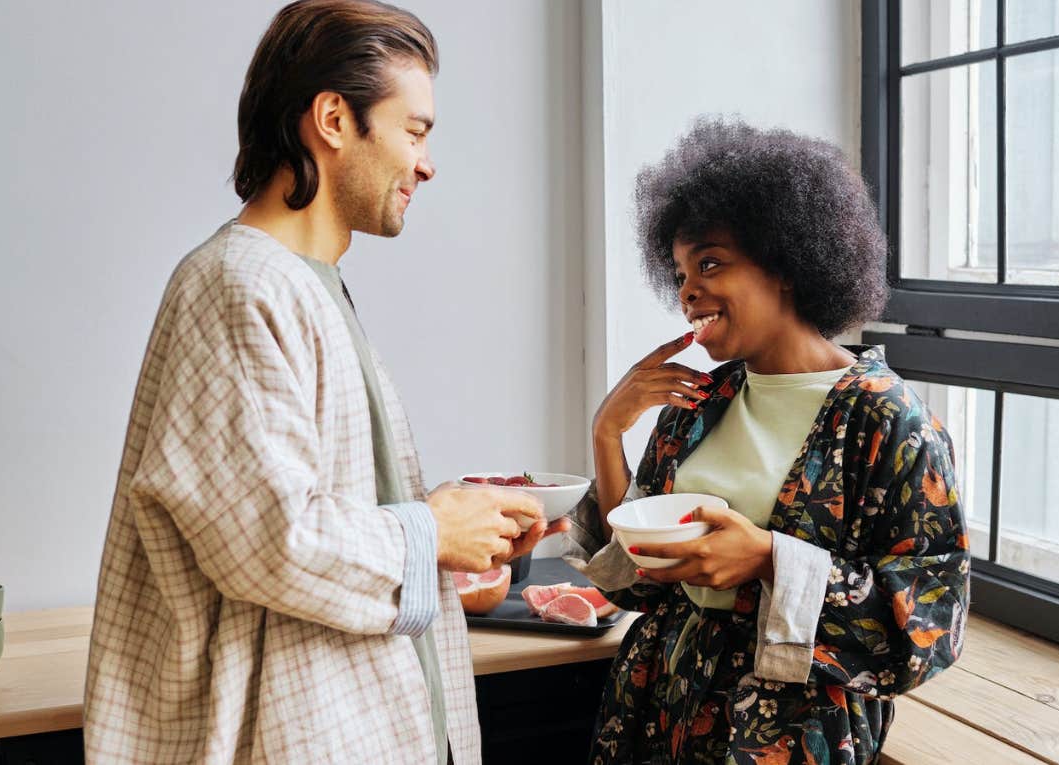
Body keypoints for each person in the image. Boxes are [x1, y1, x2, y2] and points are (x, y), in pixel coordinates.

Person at [83, 2, 564, 762]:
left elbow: (304, 509)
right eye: (415, 130)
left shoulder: (306, 284)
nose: (427, 162)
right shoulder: (235, 284)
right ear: (334, 119)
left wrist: (467, 526)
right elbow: (270, 540)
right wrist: (433, 530)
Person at [565, 118, 970, 765]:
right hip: (660, 707)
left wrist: (768, 559)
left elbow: (931, 623)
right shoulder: (699, 403)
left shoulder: (889, 419)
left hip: (787, 735)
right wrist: (607, 431)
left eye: (711, 263)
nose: (688, 289)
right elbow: (634, 585)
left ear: (785, 259)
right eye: (679, 272)